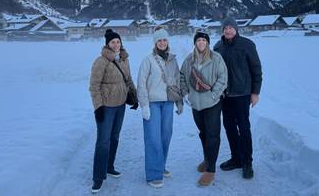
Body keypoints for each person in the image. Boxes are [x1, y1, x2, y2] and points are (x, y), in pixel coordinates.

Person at [89, 29, 138, 194]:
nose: (116, 44)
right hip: (106, 107)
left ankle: (109, 166)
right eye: (113, 42)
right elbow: (94, 86)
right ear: (107, 44)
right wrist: (98, 107)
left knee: (115, 137)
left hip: (120, 105)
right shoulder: (100, 61)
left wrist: (135, 97)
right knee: (103, 140)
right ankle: (98, 177)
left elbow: (129, 79)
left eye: (118, 41)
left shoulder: (124, 59)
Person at [213, 17, 262, 179]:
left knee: (244, 128)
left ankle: (247, 162)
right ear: (222, 30)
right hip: (225, 95)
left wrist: (255, 92)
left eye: (231, 28)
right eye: (225, 28)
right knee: (229, 128)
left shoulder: (247, 45)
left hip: (242, 95)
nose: (228, 30)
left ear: (236, 29)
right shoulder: (217, 47)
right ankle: (236, 158)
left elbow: (256, 69)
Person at [180, 30, 228, 186]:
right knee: (203, 133)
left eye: (204, 40)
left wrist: (214, 95)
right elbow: (182, 77)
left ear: (207, 42)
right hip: (196, 104)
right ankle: (208, 159)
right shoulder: (189, 60)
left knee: (213, 135)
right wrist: (186, 94)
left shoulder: (216, 58)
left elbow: (223, 78)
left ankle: (210, 170)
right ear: (195, 43)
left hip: (212, 103)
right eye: (198, 40)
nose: (201, 43)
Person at [137, 26, 183, 188]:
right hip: (153, 103)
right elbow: (141, 84)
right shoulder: (148, 60)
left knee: (166, 135)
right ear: (155, 42)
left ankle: (160, 165)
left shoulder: (172, 59)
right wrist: (144, 105)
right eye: (159, 40)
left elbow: (177, 82)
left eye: (164, 39)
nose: (162, 42)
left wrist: (179, 101)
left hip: (168, 103)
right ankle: (153, 174)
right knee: (153, 138)